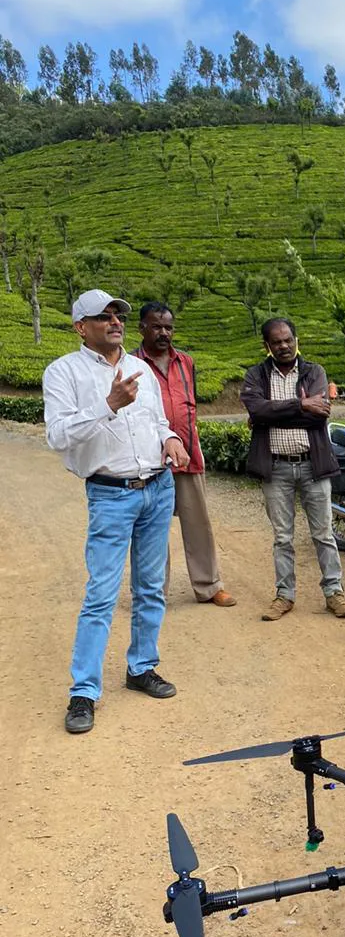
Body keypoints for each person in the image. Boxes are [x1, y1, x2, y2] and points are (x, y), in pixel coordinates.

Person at [42, 289, 190, 735]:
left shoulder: (140, 367)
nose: (115, 321)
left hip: (156, 488)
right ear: (80, 327)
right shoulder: (62, 372)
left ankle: (141, 667)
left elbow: (158, 420)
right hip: (110, 494)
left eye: (118, 315)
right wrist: (108, 405)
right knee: (101, 595)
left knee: (150, 589)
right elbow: (58, 436)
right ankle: (84, 692)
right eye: (103, 316)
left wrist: (171, 439)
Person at [240, 317, 345, 622]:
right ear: (267, 346)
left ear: (295, 339)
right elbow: (256, 409)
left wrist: (270, 414)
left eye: (288, 339)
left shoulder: (314, 371)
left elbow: (319, 416)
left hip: (311, 464)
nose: (284, 346)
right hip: (276, 468)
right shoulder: (256, 375)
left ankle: (334, 592)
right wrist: (301, 406)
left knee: (324, 534)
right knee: (282, 537)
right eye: (276, 342)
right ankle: (284, 595)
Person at [134, 302, 236, 608]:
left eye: (168, 327)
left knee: (198, 525)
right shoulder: (130, 365)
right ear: (142, 328)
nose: (164, 333)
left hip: (188, 455)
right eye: (156, 326)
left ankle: (208, 586)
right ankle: (153, 593)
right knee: (152, 529)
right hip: (150, 460)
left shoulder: (186, 362)